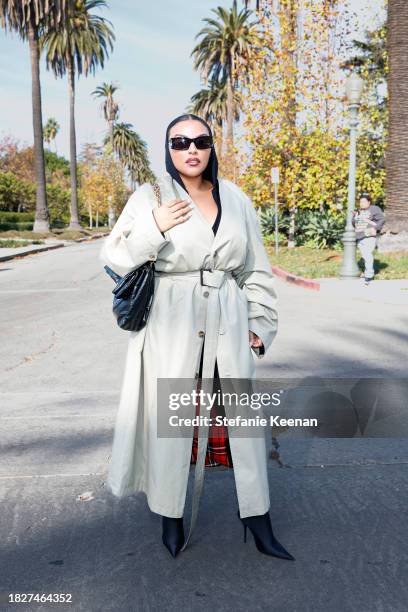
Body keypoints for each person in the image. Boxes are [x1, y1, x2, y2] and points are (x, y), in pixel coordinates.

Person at [99, 113, 294, 561]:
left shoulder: (237, 198)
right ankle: (171, 516)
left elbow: (255, 269)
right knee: (174, 425)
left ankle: (258, 519)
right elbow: (115, 256)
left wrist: (260, 324)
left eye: (200, 140)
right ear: (167, 149)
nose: (191, 149)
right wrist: (154, 225)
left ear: (211, 147)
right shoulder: (151, 197)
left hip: (228, 315)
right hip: (172, 321)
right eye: (179, 141)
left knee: (241, 425)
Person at [352, 192, 385, 285]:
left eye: (364, 201)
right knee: (365, 256)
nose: (361, 203)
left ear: (369, 202)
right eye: (360, 201)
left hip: (369, 236)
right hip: (359, 236)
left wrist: (375, 228)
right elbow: (354, 223)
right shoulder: (358, 211)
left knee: (367, 254)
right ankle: (367, 272)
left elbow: (382, 219)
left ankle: (369, 275)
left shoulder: (374, 209)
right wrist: (354, 217)